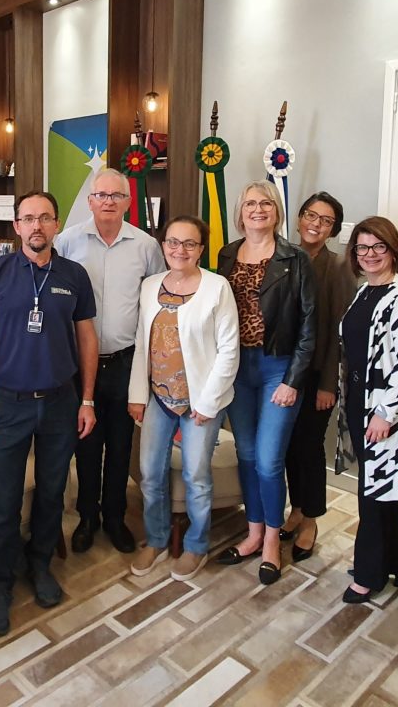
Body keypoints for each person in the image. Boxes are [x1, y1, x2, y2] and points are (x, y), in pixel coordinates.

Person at [0, 191, 98, 637]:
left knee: (51, 492)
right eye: (28, 219)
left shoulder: (74, 275)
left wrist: (87, 399)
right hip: (10, 404)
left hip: (61, 402)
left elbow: (87, 339)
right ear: (17, 226)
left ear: (56, 224)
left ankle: (40, 566)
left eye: (44, 218)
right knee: (4, 502)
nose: (36, 226)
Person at [54, 168, 165, 554]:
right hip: (78, 364)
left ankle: (115, 517)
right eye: (101, 195)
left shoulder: (146, 246)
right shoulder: (67, 242)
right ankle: (87, 517)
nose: (108, 202)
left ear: (128, 202)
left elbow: (157, 303)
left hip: (125, 362)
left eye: (116, 196)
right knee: (86, 445)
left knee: (120, 446)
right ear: (90, 201)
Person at [126, 216, 240, 581]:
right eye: (173, 242)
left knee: (196, 475)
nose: (180, 250)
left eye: (190, 243)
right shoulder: (150, 286)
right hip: (158, 398)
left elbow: (229, 350)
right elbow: (142, 343)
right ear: (163, 246)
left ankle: (196, 545)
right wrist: (137, 394)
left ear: (201, 249)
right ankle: (157, 539)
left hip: (200, 403)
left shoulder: (217, 287)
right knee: (150, 473)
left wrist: (208, 403)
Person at [213, 181, 315, 586]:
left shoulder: (295, 258)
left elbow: (309, 326)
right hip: (237, 368)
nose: (258, 209)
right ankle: (253, 532)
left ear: (277, 211)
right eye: (250, 203)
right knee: (247, 453)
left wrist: (293, 380)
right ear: (240, 212)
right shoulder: (226, 254)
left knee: (270, 459)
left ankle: (273, 539)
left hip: (278, 368)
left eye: (266, 203)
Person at [339, 217, 398, 603]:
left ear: (393, 251)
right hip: (359, 401)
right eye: (362, 247)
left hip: (385, 409)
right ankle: (396, 561)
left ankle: (368, 574)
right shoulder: (365, 291)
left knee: (372, 494)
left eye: (378, 247)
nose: (370, 254)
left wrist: (385, 413)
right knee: (378, 487)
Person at [281, 192, 356, 562]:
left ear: (334, 229)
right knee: (287, 447)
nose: (316, 224)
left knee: (309, 449)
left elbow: (340, 332)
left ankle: (310, 520)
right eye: (311, 215)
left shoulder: (339, 267)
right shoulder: (284, 257)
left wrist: (328, 384)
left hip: (316, 377)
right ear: (299, 218)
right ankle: (296, 509)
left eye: (326, 220)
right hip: (283, 373)